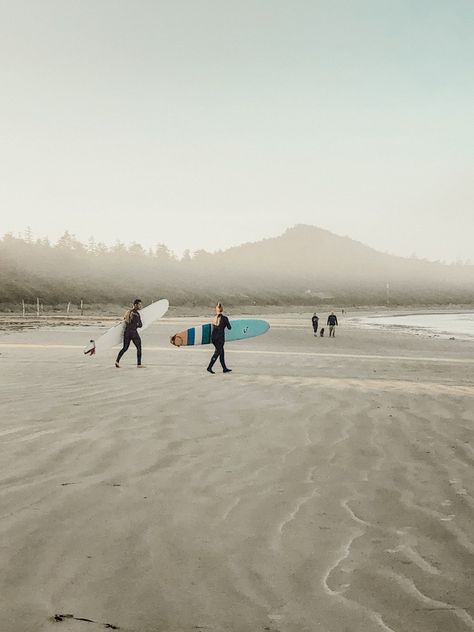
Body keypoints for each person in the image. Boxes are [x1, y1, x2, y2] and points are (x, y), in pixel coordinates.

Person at [115, 299, 144, 367]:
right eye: (139, 304)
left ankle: (117, 361)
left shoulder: (128, 312)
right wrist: (137, 324)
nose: (140, 306)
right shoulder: (136, 314)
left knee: (125, 348)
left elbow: (125, 321)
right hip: (133, 332)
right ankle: (139, 364)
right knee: (139, 348)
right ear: (135, 305)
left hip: (127, 332)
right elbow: (140, 325)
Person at [207, 302, 232, 374]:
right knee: (218, 352)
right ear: (222, 310)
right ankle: (209, 367)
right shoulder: (225, 318)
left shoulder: (214, 318)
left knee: (221, 352)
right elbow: (229, 327)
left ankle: (224, 368)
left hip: (214, 338)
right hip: (220, 338)